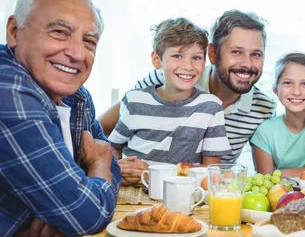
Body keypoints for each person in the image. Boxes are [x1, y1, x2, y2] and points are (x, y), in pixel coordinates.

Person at [0, 0, 122, 237]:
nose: (75, 53)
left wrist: (82, 189)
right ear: (14, 32)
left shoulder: (75, 94)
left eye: (89, 41)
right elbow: (83, 212)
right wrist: (96, 169)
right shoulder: (8, 88)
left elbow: (106, 159)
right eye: (59, 32)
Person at [99, 10, 276, 179]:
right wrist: (116, 167)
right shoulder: (161, 79)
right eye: (236, 52)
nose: (247, 63)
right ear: (213, 54)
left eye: (256, 54)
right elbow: (102, 127)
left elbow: (258, 173)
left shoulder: (264, 109)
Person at [108, 18, 231, 185]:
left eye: (196, 57)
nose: (188, 66)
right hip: (131, 191)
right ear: (157, 60)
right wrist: (118, 168)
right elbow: (113, 147)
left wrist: (153, 175)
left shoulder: (211, 107)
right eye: (177, 56)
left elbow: (211, 170)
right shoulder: (134, 101)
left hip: (183, 193)